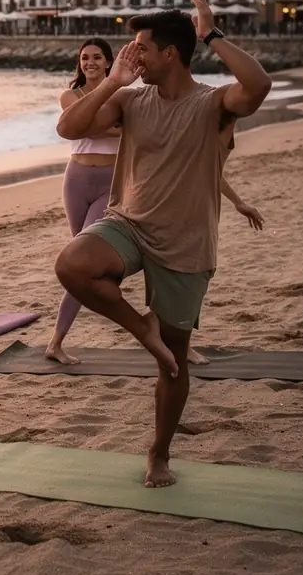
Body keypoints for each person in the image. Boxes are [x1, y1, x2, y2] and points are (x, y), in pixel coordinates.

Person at [53, 0, 271, 488]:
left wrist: (211, 35)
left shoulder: (215, 104)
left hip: (186, 243)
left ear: (170, 53)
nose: (133, 56)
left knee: (173, 363)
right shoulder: (130, 98)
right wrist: (112, 80)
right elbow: (68, 127)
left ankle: (159, 452)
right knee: (72, 264)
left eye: (140, 49)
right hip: (128, 224)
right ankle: (141, 328)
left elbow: (258, 85)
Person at [47, 37, 266, 366]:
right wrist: (120, 109)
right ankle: (59, 341)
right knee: (78, 261)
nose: (88, 63)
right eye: (84, 58)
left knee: (90, 260)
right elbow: (73, 127)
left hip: (114, 182)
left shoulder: (139, 103)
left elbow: (201, 166)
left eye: (95, 57)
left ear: (109, 61)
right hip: (77, 181)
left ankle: (175, 338)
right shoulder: (96, 97)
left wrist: (237, 201)